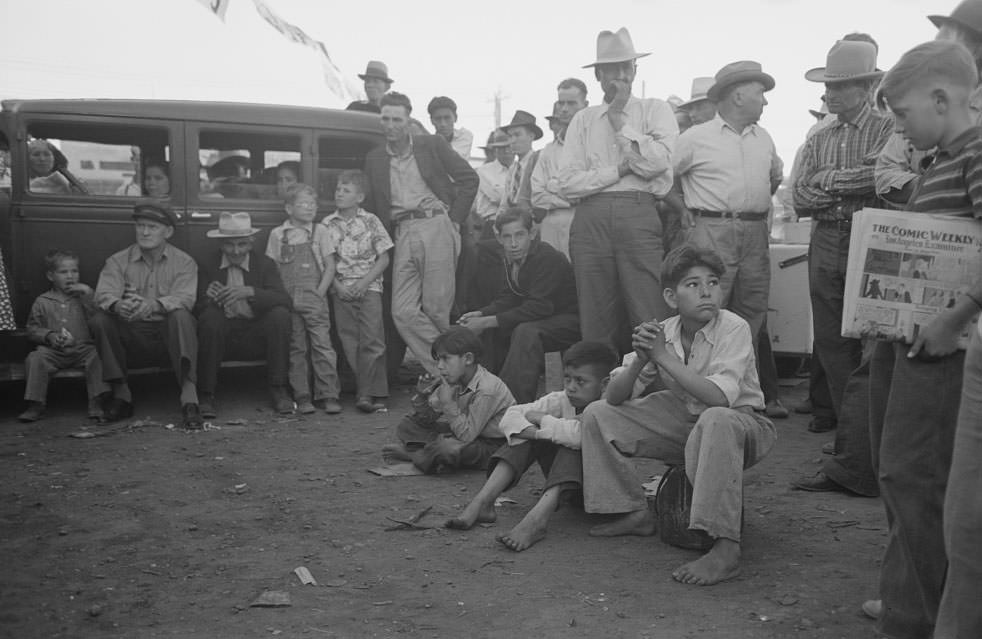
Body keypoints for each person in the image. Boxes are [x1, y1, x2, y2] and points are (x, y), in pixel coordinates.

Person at [578, 245, 776, 586]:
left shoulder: (734, 327)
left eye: (713, 283)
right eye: (693, 284)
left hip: (741, 424)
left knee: (716, 417)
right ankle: (633, 511)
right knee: (598, 413)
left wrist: (663, 357)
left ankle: (726, 548)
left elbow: (718, 398)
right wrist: (642, 357)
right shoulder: (664, 331)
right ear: (671, 296)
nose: (706, 292)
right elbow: (613, 397)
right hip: (687, 420)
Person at [870, 40, 982, 639]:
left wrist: (950, 319)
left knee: (917, 476)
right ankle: (907, 597)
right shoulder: (936, 162)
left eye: (902, 112)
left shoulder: (975, 154)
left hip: (944, 351)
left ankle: (918, 617)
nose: (898, 126)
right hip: (908, 342)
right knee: (897, 476)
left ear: (941, 98)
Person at [791, 40, 893, 497]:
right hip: (829, 236)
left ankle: (862, 454)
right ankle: (851, 450)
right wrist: (846, 185)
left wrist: (827, 182)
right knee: (832, 342)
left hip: (871, 238)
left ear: (865, 86)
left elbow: (880, 179)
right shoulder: (821, 135)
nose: (830, 93)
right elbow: (799, 196)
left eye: (840, 85)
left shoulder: (890, 128)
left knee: (870, 345)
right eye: (829, 85)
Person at [671, 60, 785, 417]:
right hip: (712, 229)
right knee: (705, 309)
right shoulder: (695, 138)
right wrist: (681, 208)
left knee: (752, 312)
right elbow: (663, 181)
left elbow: (774, 179)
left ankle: (741, 397)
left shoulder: (763, 137)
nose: (764, 102)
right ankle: (699, 396)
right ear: (738, 95)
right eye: (759, 94)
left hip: (754, 230)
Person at [560, 27, 678, 354]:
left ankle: (659, 392)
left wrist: (617, 119)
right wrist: (621, 170)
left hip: (639, 213)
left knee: (649, 308)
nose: (621, 75)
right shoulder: (582, 119)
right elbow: (567, 183)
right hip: (590, 218)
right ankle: (599, 397)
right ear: (598, 75)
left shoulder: (655, 109)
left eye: (627, 67)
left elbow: (657, 165)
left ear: (636, 69)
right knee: (595, 315)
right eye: (612, 69)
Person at [444, 341, 618, 552]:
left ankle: (537, 521)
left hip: (600, 494)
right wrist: (538, 433)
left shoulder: (609, 407)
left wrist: (543, 421)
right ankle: (484, 502)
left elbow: (579, 437)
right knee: (532, 436)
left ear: (605, 384)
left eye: (581, 381)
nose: (571, 387)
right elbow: (512, 415)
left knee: (568, 444)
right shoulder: (562, 399)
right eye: (568, 378)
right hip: (569, 490)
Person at [362, 92, 479, 377]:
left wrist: (453, 220)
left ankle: (468, 382)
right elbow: (374, 204)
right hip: (402, 231)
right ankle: (452, 374)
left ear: (408, 120)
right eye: (386, 119)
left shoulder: (431, 144)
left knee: (437, 310)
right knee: (402, 312)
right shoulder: (376, 157)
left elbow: (468, 179)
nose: (391, 125)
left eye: (397, 119)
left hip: (436, 224)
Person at [89, 200, 202, 430]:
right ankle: (122, 395)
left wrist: (154, 304)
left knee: (181, 317)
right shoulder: (118, 261)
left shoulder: (184, 262)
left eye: (152, 227)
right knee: (100, 320)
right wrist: (117, 305)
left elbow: (185, 298)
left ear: (168, 232)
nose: (145, 232)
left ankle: (190, 397)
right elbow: (103, 294)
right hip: (132, 332)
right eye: (140, 226)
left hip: (166, 333)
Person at [458, 208, 580, 403]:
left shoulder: (546, 257)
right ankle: (485, 396)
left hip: (570, 321)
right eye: (507, 237)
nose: (513, 244)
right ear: (498, 238)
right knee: (494, 328)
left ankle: (512, 405)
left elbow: (540, 307)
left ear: (531, 234)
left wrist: (488, 321)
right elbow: (509, 298)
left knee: (525, 331)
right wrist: (481, 314)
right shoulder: (511, 259)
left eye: (519, 235)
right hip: (544, 319)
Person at [195, 212, 293, 418]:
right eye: (230, 245)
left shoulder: (264, 263)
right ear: (221, 244)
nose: (236, 251)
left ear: (251, 243)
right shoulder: (207, 263)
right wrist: (209, 297)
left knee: (280, 316)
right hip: (223, 329)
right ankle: (206, 393)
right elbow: (194, 307)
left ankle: (279, 388)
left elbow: (284, 299)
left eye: (242, 244)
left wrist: (251, 292)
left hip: (254, 329)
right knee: (210, 319)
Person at [382, 326, 515, 474]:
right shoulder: (455, 379)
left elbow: (467, 436)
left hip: (492, 445)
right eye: (438, 360)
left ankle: (416, 455)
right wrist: (422, 396)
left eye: (446, 359)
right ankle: (431, 455)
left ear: (468, 359)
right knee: (408, 424)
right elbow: (428, 418)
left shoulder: (487, 389)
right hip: (464, 434)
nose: (440, 366)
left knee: (448, 448)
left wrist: (448, 403)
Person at [321, 170, 394, 413]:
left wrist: (363, 284)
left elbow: (383, 259)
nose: (340, 193)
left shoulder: (371, 221)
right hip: (340, 289)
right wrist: (339, 287)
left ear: (360, 197)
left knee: (373, 340)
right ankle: (365, 392)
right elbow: (325, 263)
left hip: (369, 287)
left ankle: (374, 392)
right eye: (338, 189)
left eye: (346, 190)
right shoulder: (327, 225)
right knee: (350, 341)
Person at [266, 183, 342, 415]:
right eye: (303, 204)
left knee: (322, 345)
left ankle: (328, 394)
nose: (310, 208)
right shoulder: (278, 234)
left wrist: (319, 292)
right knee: (296, 347)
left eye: (313, 204)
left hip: (314, 297)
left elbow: (330, 266)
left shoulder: (320, 231)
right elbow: (274, 268)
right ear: (289, 208)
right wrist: (283, 297)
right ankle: (302, 395)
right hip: (289, 299)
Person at [19, 249, 108, 423]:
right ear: (51, 276)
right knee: (35, 358)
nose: (70, 276)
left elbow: (98, 317)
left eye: (74, 271)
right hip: (54, 351)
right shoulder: (43, 301)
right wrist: (49, 336)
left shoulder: (83, 297)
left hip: (83, 348)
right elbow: (32, 328)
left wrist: (89, 294)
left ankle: (97, 401)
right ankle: (36, 404)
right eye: (63, 272)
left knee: (98, 357)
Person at [532, 78, 589, 260]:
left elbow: (590, 189)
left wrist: (554, 186)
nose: (564, 109)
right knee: (552, 278)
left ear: (585, 105)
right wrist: (568, 200)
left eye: (571, 103)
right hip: (551, 227)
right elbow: (537, 196)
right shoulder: (548, 151)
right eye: (561, 103)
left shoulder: (593, 144)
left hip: (583, 225)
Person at [497, 110, 542, 218]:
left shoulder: (539, 163)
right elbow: (505, 200)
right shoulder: (513, 168)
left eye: (517, 135)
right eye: (510, 136)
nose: (512, 140)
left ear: (531, 136)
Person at [473, 130, 513, 230]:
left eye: (510, 146)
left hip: (518, 223)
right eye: (502, 147)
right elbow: (497, 198)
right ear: (495, 150)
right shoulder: (483, 171)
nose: (507, 151)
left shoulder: (521, 169)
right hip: (492, 222)